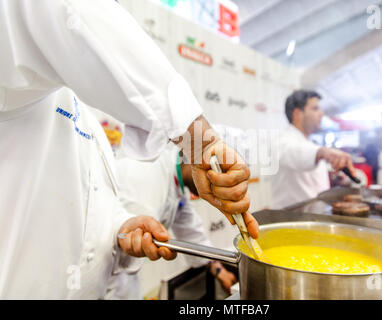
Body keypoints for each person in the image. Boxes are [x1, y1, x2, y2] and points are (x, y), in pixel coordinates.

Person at [0, 0, 256, 298]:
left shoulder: (87, 122)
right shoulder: (13, 80)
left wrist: (121, 228)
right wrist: (201, 141)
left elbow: (85, 210)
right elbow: (66, 11)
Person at [105, 146, 237, 299]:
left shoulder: (177, 181)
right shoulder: (147, 172)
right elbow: (124, 238)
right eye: (213, 178)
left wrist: (218, 270)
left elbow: (190, 231)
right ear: (196, 160)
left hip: (125, 278)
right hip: (108, 275)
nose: (213, 190)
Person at [270, 90, 356, 209]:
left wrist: (335, 179)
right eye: (315, 108)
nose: (321, 113)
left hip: (312, 216)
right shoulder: (281, 140)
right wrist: (323, 152)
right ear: (297, 114)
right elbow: (294, 154)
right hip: (292, 219)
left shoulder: (309, 142)